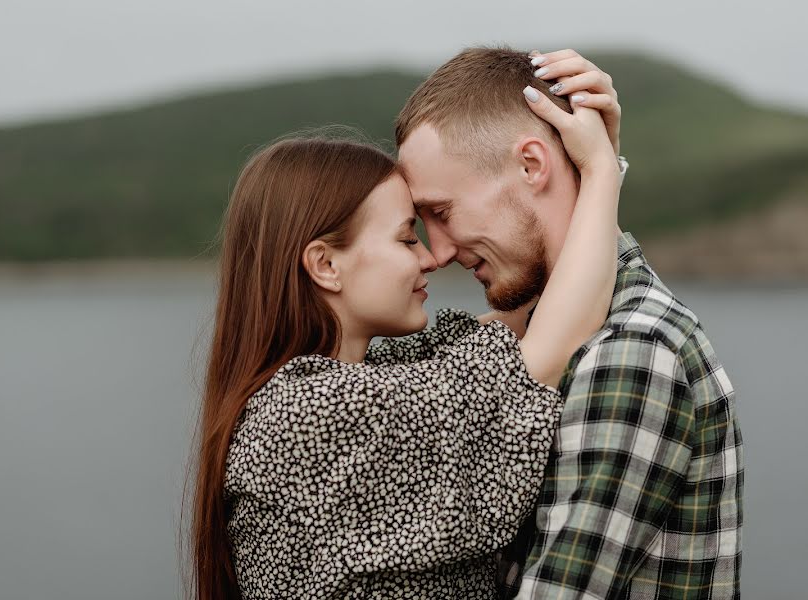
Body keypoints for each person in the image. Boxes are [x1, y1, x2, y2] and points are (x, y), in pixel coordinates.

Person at [186, 59, 624, 598]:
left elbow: (538, 309)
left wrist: (574, 167)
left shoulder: (376, 373)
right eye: (405, 237)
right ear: (325, 265)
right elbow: (549, 345)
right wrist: (601, 169)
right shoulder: (307, 414)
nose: (432, 256)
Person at [395, 46, 743, 599]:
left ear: (532, 165)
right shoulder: (538, 331)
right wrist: (598, 170)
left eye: (442, 212)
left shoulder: (632, 352)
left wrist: (599, 169)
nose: (437, 252)